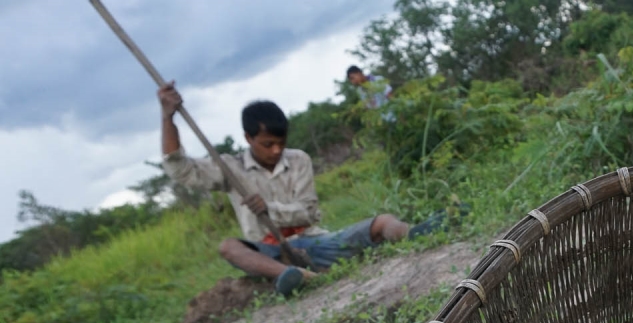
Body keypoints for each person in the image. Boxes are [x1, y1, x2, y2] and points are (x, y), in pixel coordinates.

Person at [157, 81, 446, 297]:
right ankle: (295, 276)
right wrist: (168, 117)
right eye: (267, 144)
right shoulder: (230, 168)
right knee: (229, 247)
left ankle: (413, 233)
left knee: (382, 222)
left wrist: (270, 210)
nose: (276, 150)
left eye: (281, 143)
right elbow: (179, 167)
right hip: (270, 252)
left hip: (313, 242)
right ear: (248, 138)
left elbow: (308, 212)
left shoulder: (298, 160)